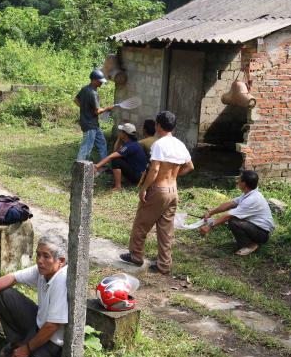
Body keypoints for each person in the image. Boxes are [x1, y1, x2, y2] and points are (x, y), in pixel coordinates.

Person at [120, 111, 194, 274]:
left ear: (158, 125)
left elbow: (154, 170)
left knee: (141, 222)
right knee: (166, 229)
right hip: (173, 190)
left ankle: (136, 256)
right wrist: (174, 176)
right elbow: (190, 166)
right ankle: (164, 265)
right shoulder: (179, 144)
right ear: (173, 127)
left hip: (159, 189)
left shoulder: (159, 144)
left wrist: (144, 188)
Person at [200, 170, 275, 256]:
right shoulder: (249, 193)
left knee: (233, 221)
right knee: (234, 219)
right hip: (257, 228)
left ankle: (250, 245)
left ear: (244, 183)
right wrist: (210, 213)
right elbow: (230, 204)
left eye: (239, 179)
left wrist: (209, 226)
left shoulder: (252, 199)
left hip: (262, 233)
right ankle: (250, 242)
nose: (237, 181)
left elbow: (227, 216)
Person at [74, 70, 114, 162]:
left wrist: (84, 107)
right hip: (89, 125)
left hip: (93, 124)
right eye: (100, 81)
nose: (101, 83)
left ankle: (103, 164)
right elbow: (97, 111)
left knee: (102, 142)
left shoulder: (85, 89)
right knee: (86, 147)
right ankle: (80, 166)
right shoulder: (93, 93)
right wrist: (107, 108)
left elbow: (76, 100)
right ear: (94, 80)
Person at [94, 123, 147, 190]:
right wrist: (119, 138)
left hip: (138, 177)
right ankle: (122, 181)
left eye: (121, 131)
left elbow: (111, 156)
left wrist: (96, 166)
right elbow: (115, 150)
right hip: (138, 174)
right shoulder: (131, 143)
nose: (119, 132)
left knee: (116, 161)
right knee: (117, 158)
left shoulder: (130, 146)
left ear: (125, 134)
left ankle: (118, 187)